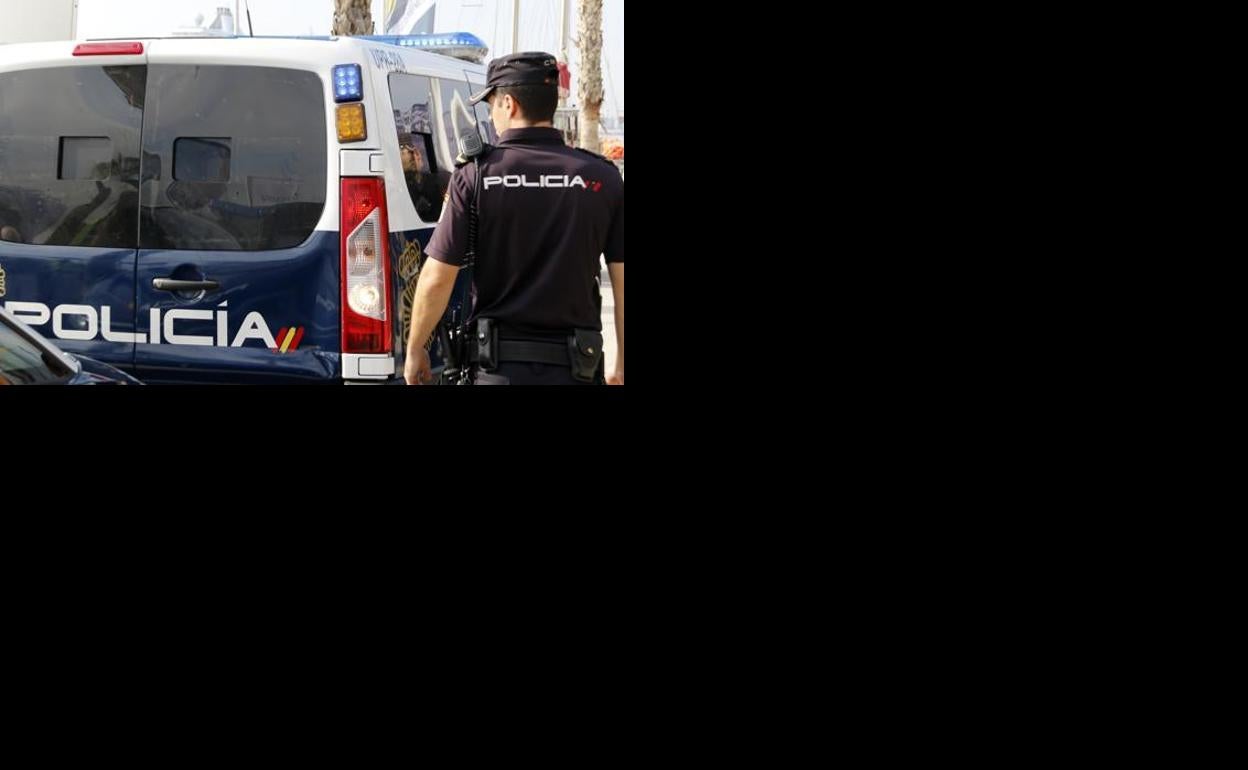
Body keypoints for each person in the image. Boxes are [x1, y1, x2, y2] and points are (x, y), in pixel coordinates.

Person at [403, 51, 624, 386]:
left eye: (491, 105)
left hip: (496, 371)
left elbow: (438, 277)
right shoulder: (602, 177)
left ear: (509, 104)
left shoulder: (475, 176)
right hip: (577, 369)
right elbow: (621, 279)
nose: (491, 116)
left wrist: (415, 347)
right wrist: (621, 364)